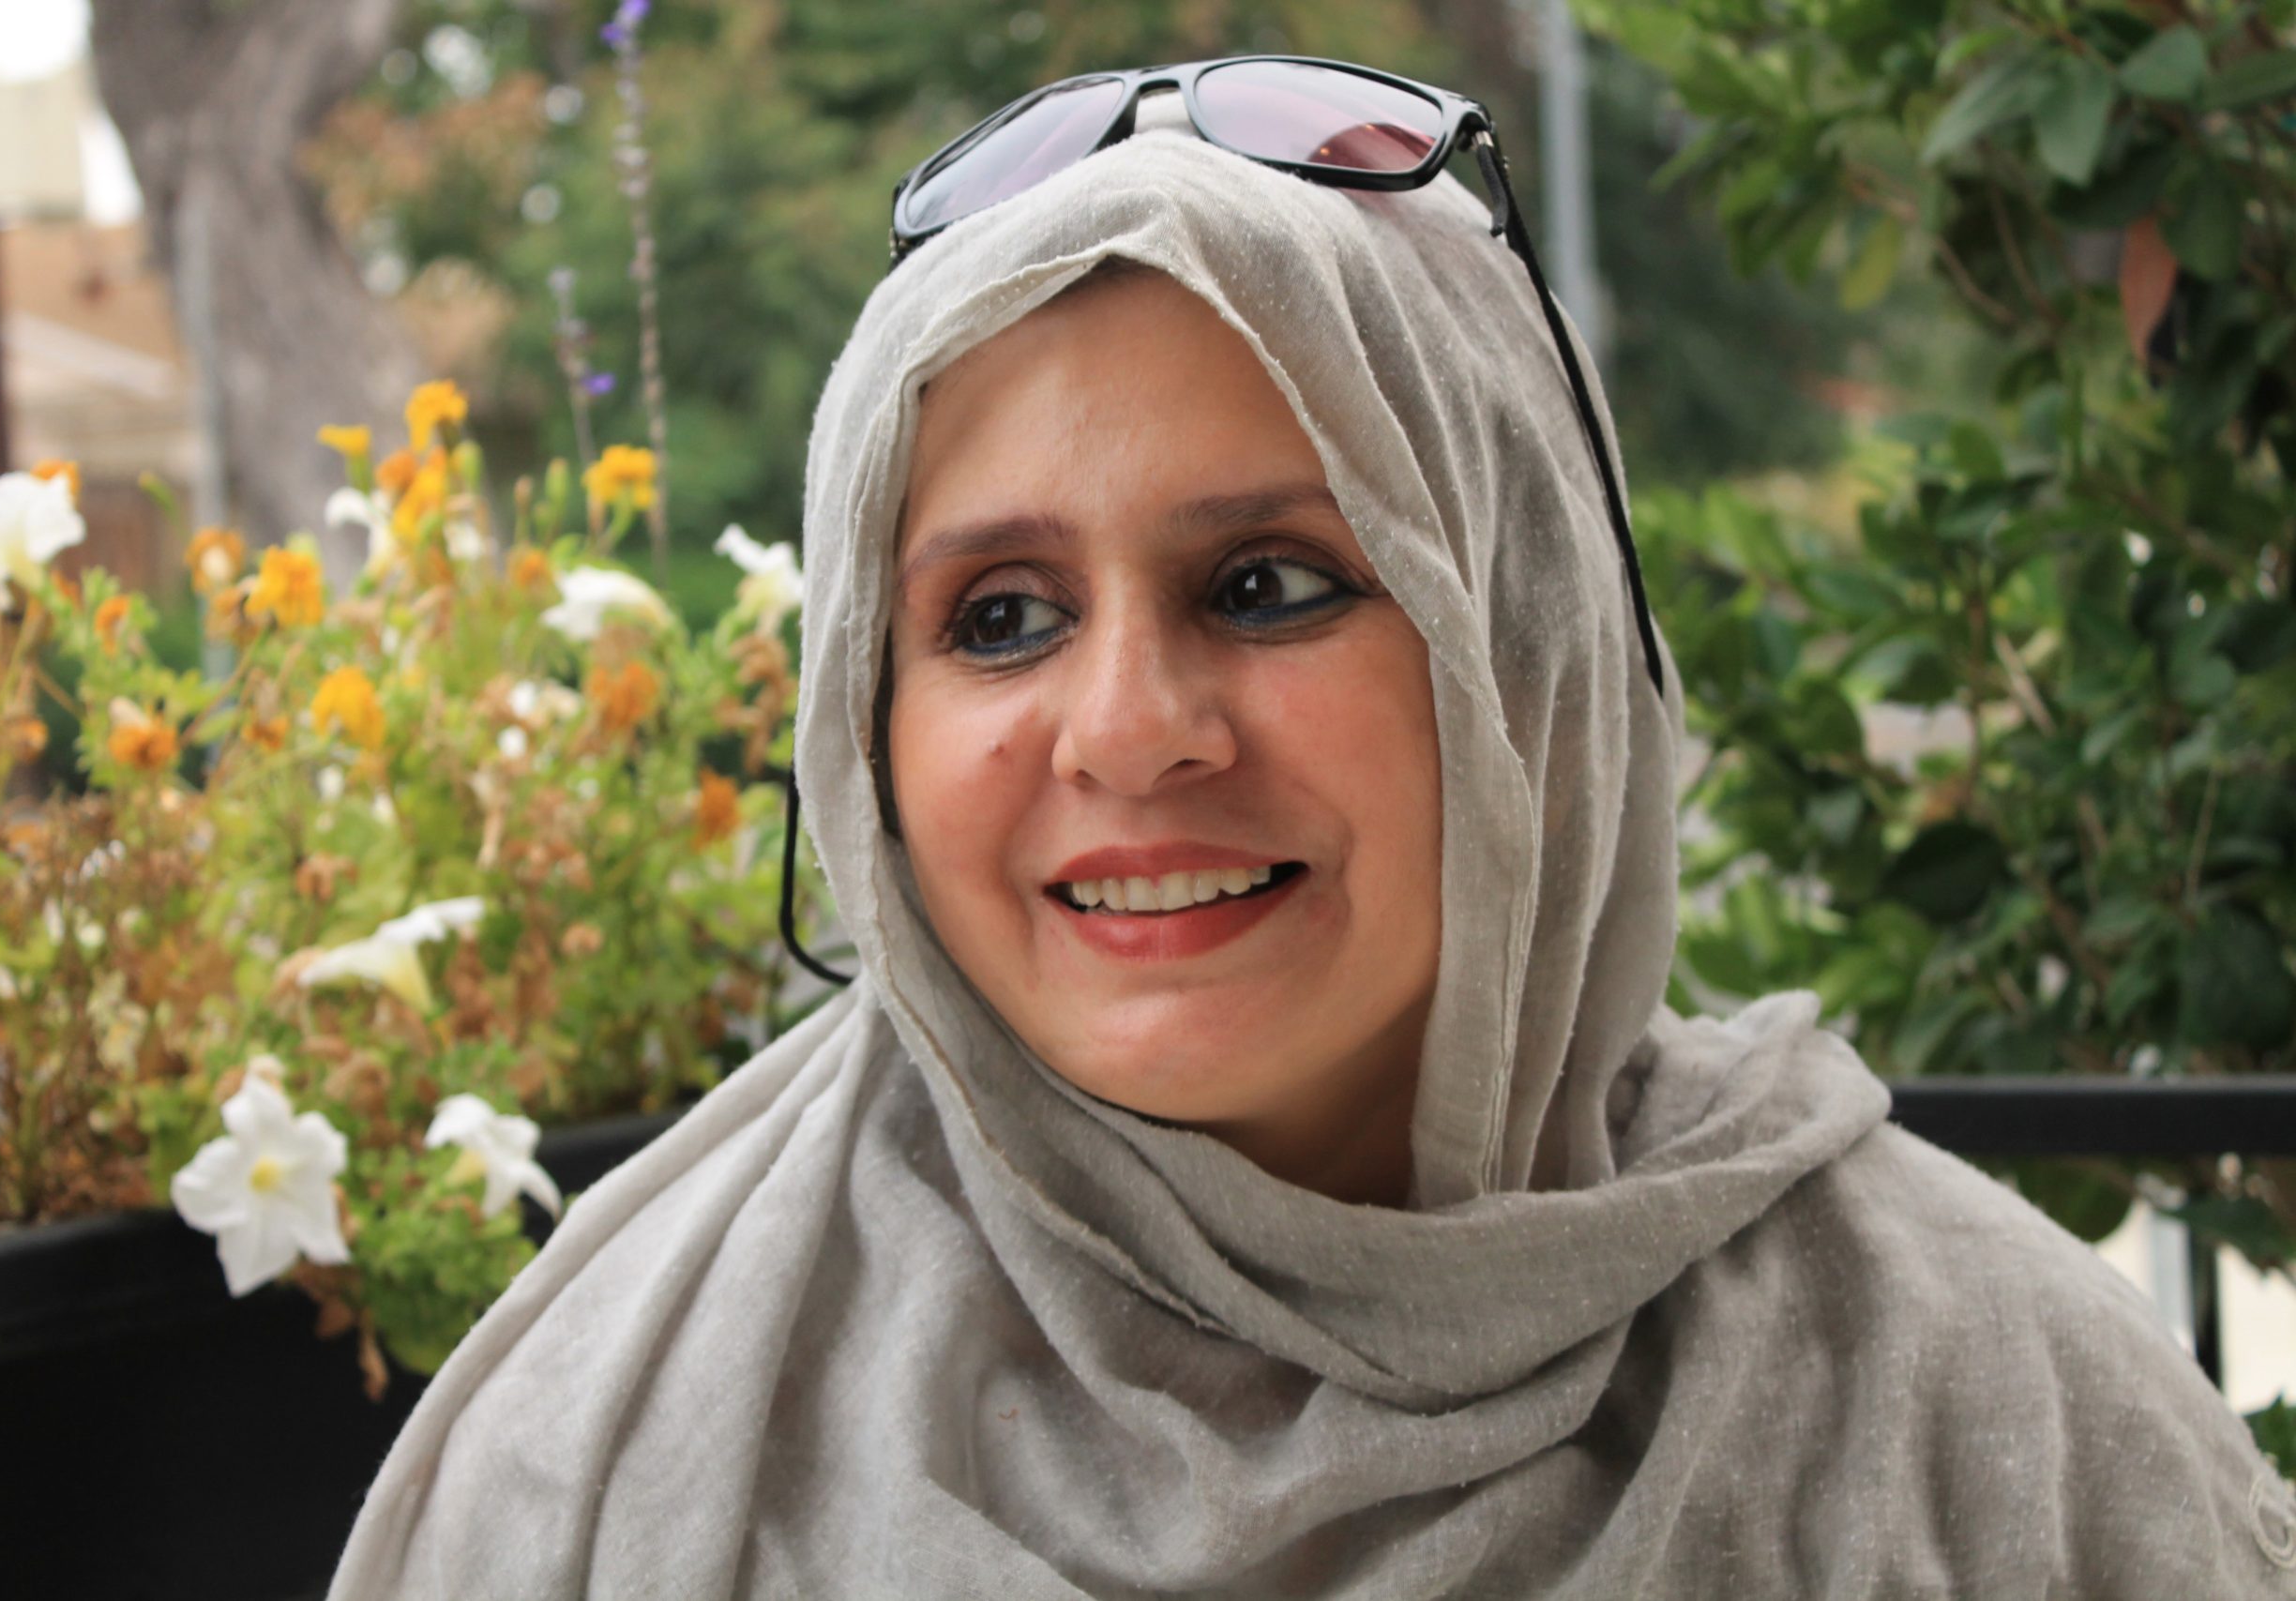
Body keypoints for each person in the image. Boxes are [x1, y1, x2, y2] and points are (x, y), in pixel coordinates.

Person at [331, 64, 2293, 1598]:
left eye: (1268, 582)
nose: (1126, 730)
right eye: (997, 616)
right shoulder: (613, 1439)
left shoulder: (1991, 1414)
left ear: (1527, 660)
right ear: (867, 729)